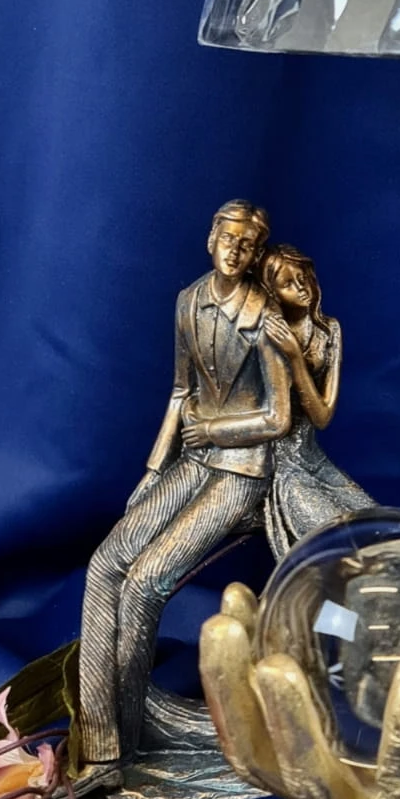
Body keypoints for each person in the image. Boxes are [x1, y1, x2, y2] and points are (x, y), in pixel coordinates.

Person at [76, 198, 290, 766]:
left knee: (145, 582)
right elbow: (180, 392)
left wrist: (215, 429)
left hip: (242, 471)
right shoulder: (188, 301)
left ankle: (125, 745)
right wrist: (153, 471)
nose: (235, 250)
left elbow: (278, 417)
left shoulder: (264, 317)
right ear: (211, 239)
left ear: (256, 254)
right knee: (104, 566)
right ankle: (99, 739)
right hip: (191, 462)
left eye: (248, 244)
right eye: (229, 238)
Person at [258, 244, 371, 554]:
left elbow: (322, 417)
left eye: (303, 277)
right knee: (341, 538)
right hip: (280, 467)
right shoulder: (268, 336)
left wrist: (296, 357)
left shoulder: (329, 330)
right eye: (287, 284)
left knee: (374, 522)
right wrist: (294, 356)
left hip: (313, 457)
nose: (301, 287)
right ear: (271, 292)